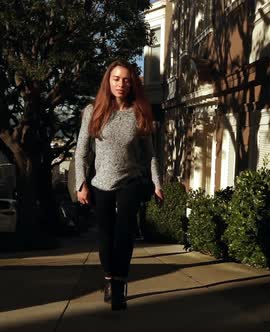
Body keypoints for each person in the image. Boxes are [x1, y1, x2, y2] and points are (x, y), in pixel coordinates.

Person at [74, 60, 164, 311]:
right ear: (108, 81)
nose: (121, 84)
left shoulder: (139, 113)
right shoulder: (93, 112)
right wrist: (81, 183)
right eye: (116, 79)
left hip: (130, 181)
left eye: (126, 79)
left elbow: (151, 155)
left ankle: (119, 283)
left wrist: (157, 183)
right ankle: (109, 278)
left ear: (132, 83)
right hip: (101, 183)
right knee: (105, 237)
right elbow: (81, 152)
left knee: (124, 235)